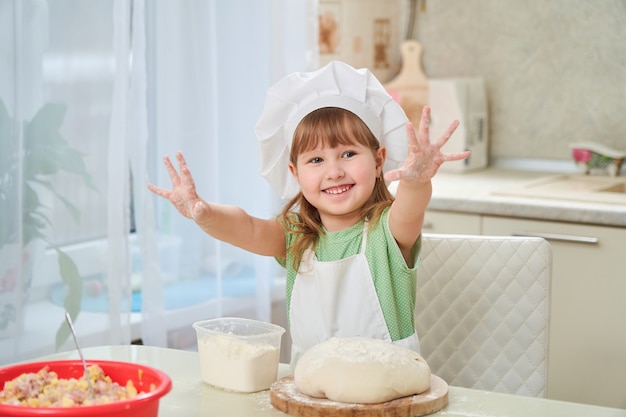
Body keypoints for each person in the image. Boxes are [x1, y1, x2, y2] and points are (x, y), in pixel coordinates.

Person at [147, 61, 470, 365]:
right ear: (295, 172)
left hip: (388, 387)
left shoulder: (387, 231)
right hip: (311, 387)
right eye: (316, 160)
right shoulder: (295, 236)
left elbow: (411, 210)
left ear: (379, 160)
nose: (334, 171)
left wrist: (417, 182)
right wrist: (204, 214)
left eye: (348, 153)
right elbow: (246, 227)